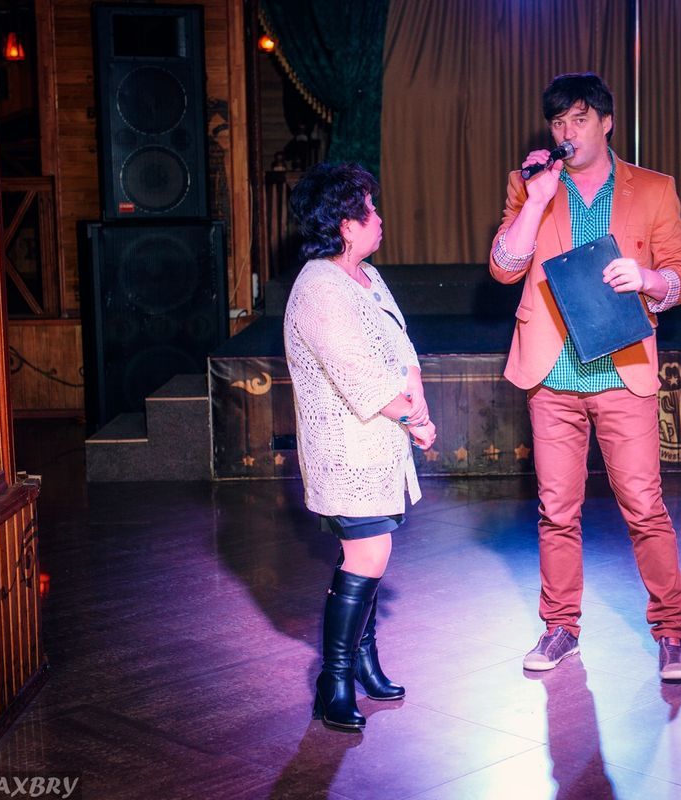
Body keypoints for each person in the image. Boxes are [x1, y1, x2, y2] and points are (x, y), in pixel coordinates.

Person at [489, 72, 681, 680]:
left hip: (621, 371)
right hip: (552, 375)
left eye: (579, 119)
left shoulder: (653, 188)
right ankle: (560, 628)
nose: (567, 132)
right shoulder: (530, 184)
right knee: (557, 511)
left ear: (606, 123)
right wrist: (535, 199)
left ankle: (672, 632)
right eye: (558, 122)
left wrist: (649, 280)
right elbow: (504, 267)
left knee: (644, 507)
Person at [284, 162, 436, 732]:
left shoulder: (366, 276)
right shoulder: (319, 287)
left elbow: (403, 349)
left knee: (366, 557)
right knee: (368, 555)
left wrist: (418, 406)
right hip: (346, 450)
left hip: (381, 446)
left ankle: (364, 662)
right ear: (345, 224)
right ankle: (334, 680)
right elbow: (359, 375)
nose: (379, 218)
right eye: (369, 210)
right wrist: (414, 419)